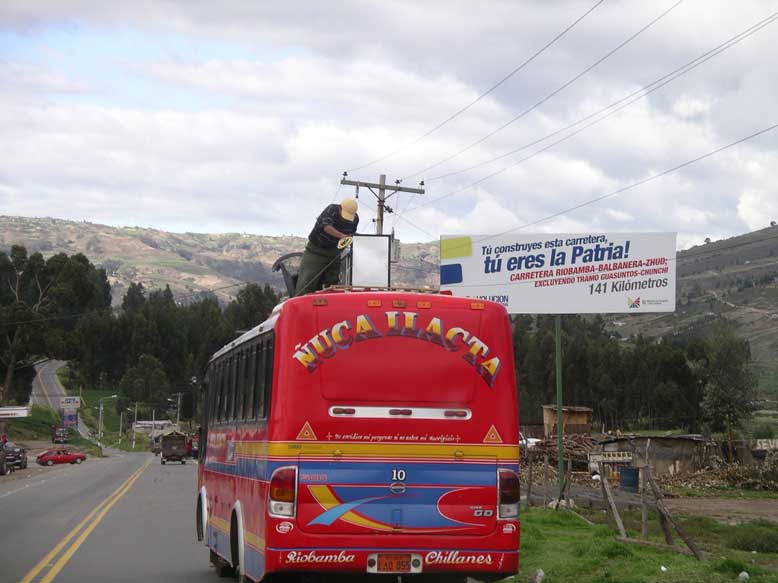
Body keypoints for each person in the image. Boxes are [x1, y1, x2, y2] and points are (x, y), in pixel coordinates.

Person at [295, 198, 359, 295]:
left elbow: (351, 234)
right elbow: (326, 227)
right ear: (340, 207)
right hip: (316, 251)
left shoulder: (355, 219)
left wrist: (350, 240)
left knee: (332, 284)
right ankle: (300, 305)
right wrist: (342, 236)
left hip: (334, 252)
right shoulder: (331, 210)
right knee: (307, 282)